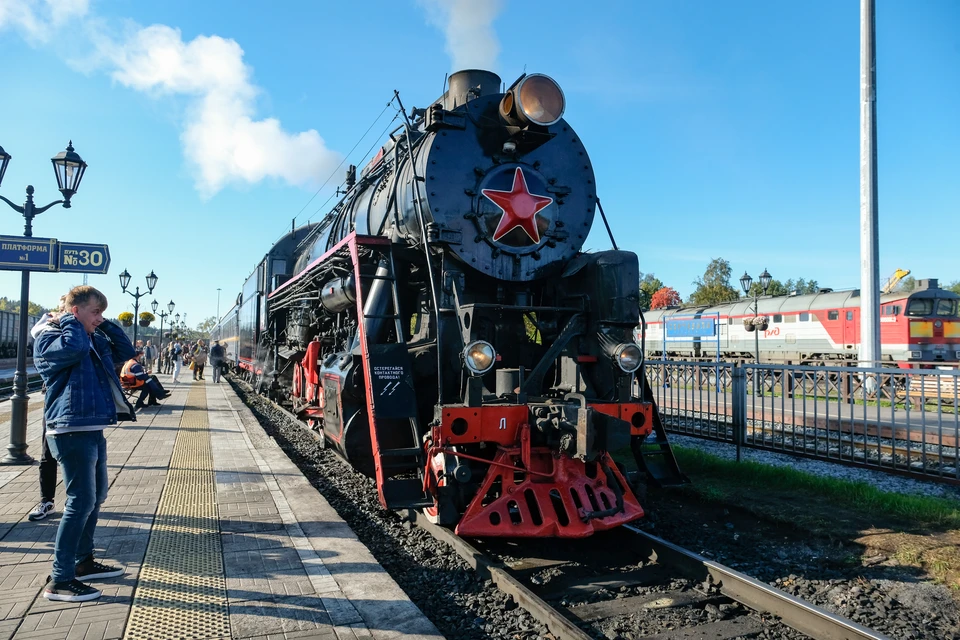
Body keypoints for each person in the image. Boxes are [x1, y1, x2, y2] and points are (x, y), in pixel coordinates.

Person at [34, 285, 135, 602]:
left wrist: (102, 323)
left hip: (91, 427)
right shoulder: (50, 338)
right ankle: (60, 579)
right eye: (95, 312)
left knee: (95, 497)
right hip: (68, 429)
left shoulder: (92, 335)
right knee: (79, 501)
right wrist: (69, 321)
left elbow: (125, 351)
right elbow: (74, 350)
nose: (99, 318)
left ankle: (83, 562)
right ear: (75, 311)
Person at [26, 296, 65, 522]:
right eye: (62, 309)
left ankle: (76, 501)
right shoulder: (47, 327)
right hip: (52, 399)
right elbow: (35, 331)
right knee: (47, 452)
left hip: (77, 403)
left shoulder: (83, 331)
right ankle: (46, 500)